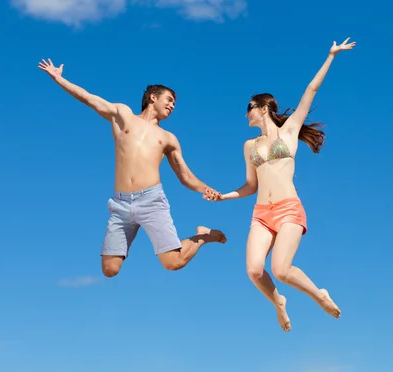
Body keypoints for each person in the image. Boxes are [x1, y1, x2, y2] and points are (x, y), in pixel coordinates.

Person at [205, 38, 355, 331]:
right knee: (253, 270)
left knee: (281, 269)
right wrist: (222, 196)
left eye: (249, 107)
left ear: (262, 107)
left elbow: (310, 91)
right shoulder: (249, 145)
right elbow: (250, 185)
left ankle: (319, 294)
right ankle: (279, 303)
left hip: (288, 209)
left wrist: (331, 55)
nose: (245, 113)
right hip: (262, 213)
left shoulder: (289, 131)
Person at [38, 58, 227, 278]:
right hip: (120, 204)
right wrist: (59, 79)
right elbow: (89, 99)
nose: (172, 105)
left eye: (175, 103)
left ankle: (202, 236)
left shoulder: (168, 138)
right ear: (153, 97)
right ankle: (197, 236)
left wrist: (206, 189)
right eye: (169, 99)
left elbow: (185, 175)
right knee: (110, 269)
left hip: (151, 201)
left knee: (173, 262)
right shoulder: (123, 115)